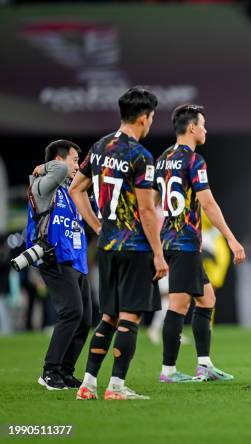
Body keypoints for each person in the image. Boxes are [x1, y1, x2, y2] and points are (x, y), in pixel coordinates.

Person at [69, 87, 169, 400]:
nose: (151, 122)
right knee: (129, 317)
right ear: (143, 117)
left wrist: (99, 227)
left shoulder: (99, 146)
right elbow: (146, 210)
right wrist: (158, 253)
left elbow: (76, 189)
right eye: (152, 117)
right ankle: (116, 386)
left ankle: (87, 384)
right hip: (135, 246)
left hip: (108, 247)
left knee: (108, 316)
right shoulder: (141, 156)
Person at [154, 104, 245, 383]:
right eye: (202, 124)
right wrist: (231, 239)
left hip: (170, 239)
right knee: (179, 305)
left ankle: (204, 365)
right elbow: (207, 202)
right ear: (192, 127)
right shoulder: (194, 161)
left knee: (207, 299)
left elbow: (155, 202)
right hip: (184, 242)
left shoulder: (162, 159)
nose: (205, 129)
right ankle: (168, 371)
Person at [26, 140, 91, 390]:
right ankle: (49, 371)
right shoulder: (43, 186)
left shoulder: (72, 190)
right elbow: (61, 171)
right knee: (71, 312)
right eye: (74, 159)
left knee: (85, 318)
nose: (77, 165)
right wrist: (46, 167)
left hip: (77, 259)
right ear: (58, 159)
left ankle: (64, 371)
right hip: (54, 257)